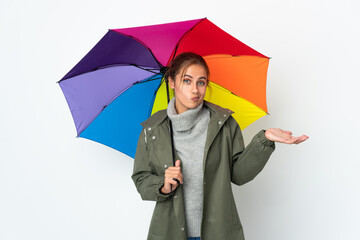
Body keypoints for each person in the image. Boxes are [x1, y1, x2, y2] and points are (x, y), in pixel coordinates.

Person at [132, 52, 309, 240]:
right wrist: (163, 185)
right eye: (186, 81)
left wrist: (264, 139)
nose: (195, 90)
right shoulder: (152, 129)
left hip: (219, 232)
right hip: (169, 232)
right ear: (172, 82)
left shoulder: (224, 123)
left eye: (201, 82)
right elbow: (141, 178)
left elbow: (239, 175)